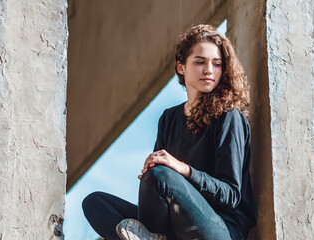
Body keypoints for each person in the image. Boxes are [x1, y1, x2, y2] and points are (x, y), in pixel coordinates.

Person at [82, 24, 256, 240]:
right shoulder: (169, 118)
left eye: (217, 64)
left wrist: (183, 170)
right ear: (181, 67)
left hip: (221, 229)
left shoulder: (229, 117)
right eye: (200, 62)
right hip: (172, 229)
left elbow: (231, 195)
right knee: (95, 202)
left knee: (161, 175)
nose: (209, 70)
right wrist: (151, 182)